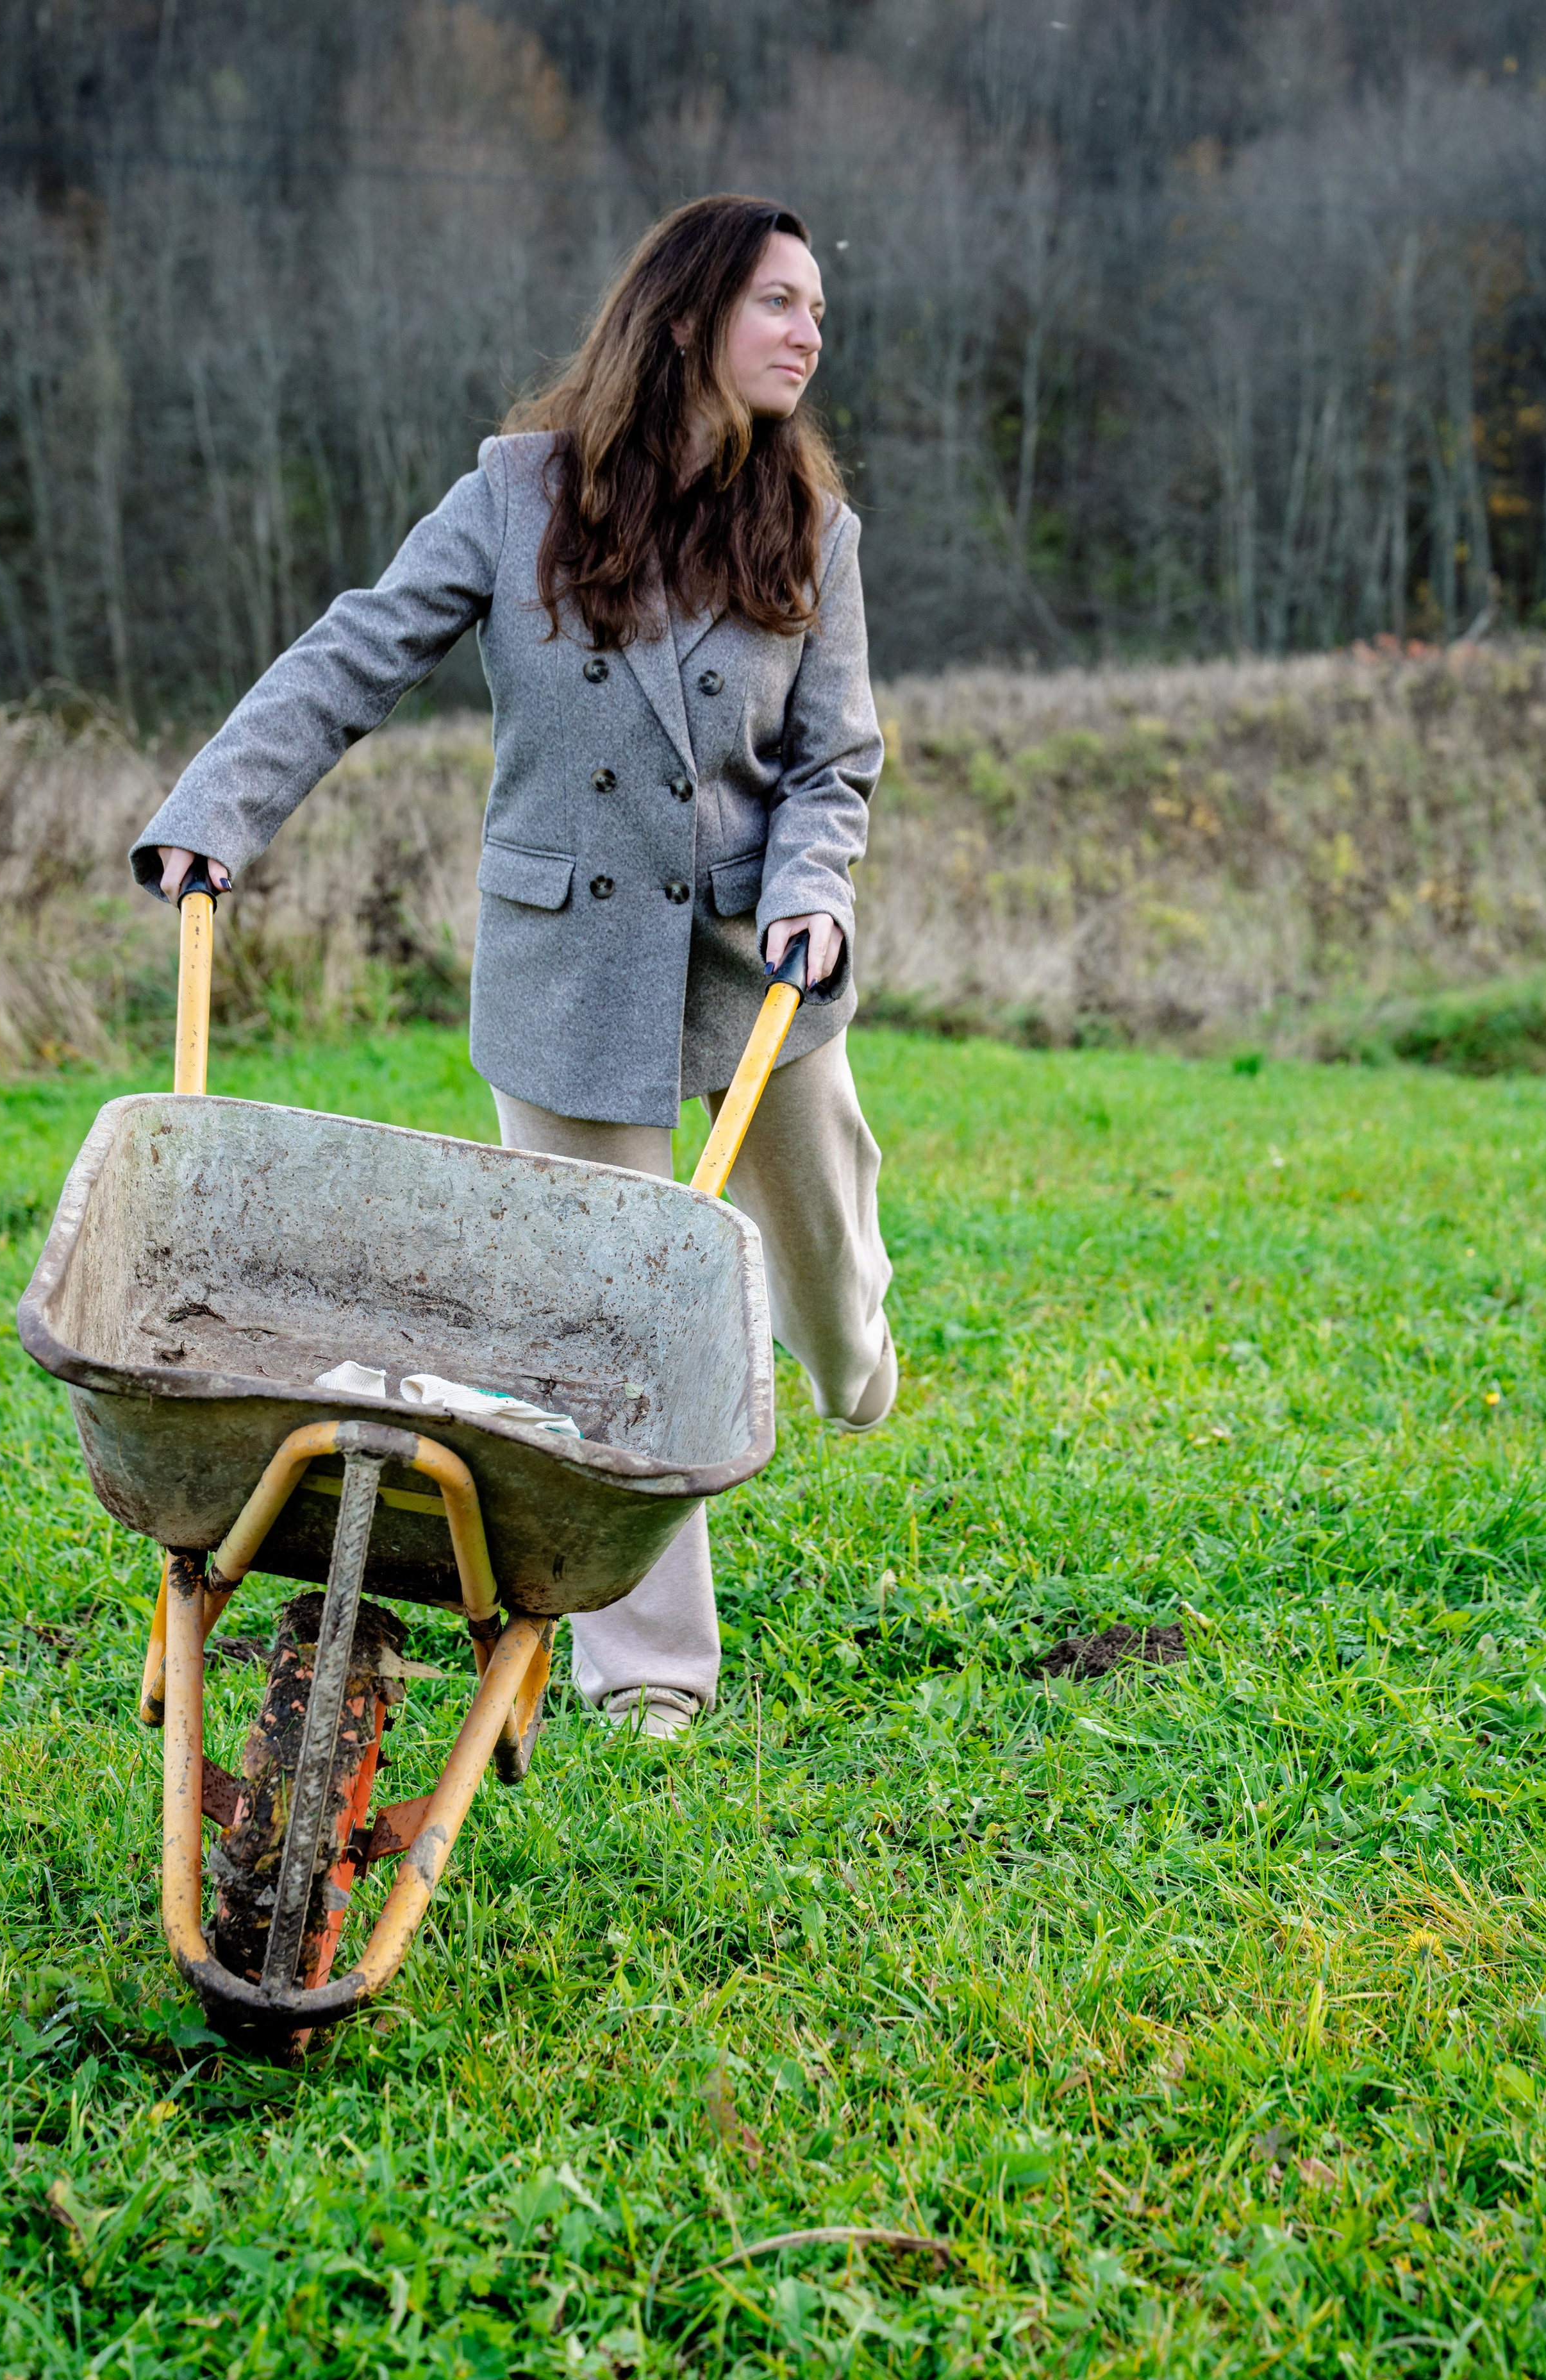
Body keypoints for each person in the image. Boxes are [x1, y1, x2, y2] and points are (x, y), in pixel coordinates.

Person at [130, 192, 895, 1738]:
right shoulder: (513, 491)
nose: (810, 333)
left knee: (815, 1268)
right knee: (612, 1325)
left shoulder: (813, 526)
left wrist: (815, 889)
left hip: (753, 959)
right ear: (687, 315)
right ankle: (649, 1670)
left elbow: (834, 761)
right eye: (780, 303)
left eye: (817, 309)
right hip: (568, 966)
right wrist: (212, 812)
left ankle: (850, 1352)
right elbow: (354, 653)